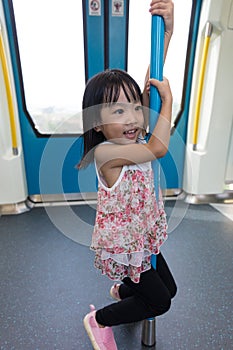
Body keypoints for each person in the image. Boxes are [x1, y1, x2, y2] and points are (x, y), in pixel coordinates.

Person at [79, 1, 176, 349]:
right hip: (126, 243)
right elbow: (158, 150)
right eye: (119, 110)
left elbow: (150, 81)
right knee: (160, 302)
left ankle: (124, 290)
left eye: (136, 107)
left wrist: (165, 33)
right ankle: (100, 319)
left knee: (171, 290)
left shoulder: (132, 133)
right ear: (98, 123)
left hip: (144, 233)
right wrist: (168, 105)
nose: (134, 117)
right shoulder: (107, 152)